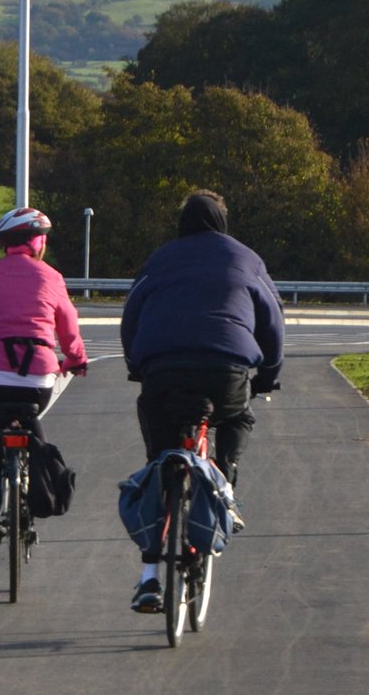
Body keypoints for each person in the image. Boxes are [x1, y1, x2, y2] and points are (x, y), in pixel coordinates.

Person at [121, 189, 283, 613]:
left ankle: (150, 575)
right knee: (237, 419)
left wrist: (137, 363)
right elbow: (272, 320)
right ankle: (224, 489)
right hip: (226, 369)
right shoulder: (246, 259)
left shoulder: (160, 258)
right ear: (222, 221)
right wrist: (268, 376)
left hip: (163, 369)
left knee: (160, 460)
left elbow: (132, 312)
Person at [0, 207, 89, 575]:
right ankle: (38, 486)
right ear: (37, 242)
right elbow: (68, 328)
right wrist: (76, 360)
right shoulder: (52, 277)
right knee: (34, 437)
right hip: (37, 380)